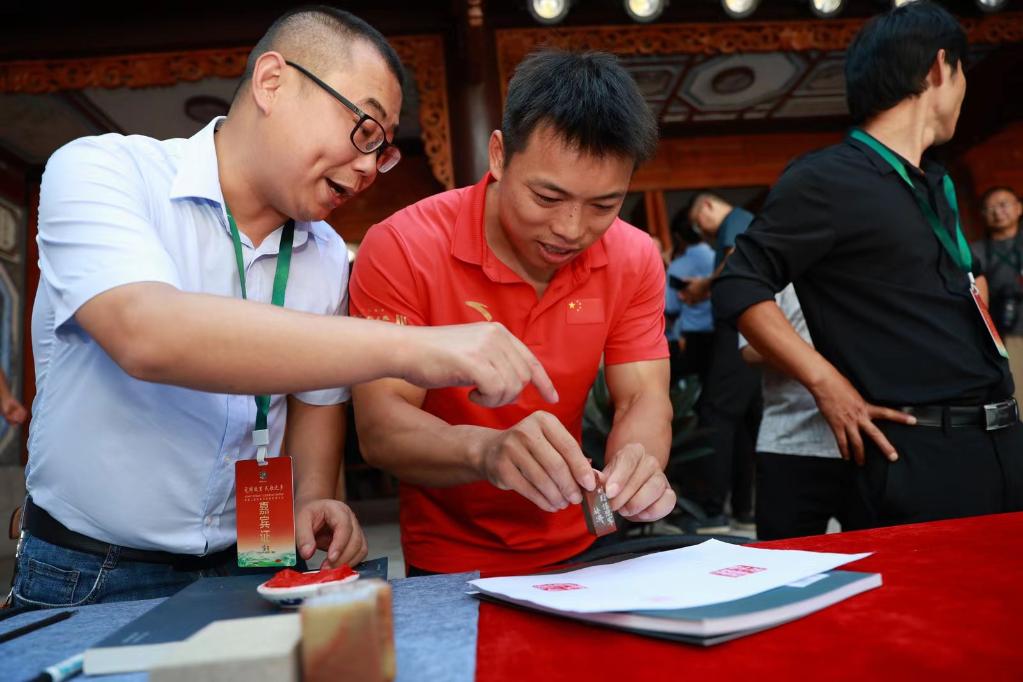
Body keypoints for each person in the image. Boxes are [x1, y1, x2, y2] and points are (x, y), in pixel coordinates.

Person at [12, 7, 554, 608]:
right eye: (364, 130)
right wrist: (414, 347)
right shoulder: (103, 171)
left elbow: (315, 406)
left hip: (253, 556)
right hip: (93, 568)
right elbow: (146, 333)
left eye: (382, 149)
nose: (370, 166)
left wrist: (315, 500)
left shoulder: (325, 253)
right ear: (272, 82)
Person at [349, 50, 675, 576]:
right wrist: (487, 451)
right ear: (499, 155)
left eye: (603, 206)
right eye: (547, 197)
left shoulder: (633, 256)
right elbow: (381, 426)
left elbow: (643, 396)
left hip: (583, 541)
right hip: (450, 557)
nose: (571, 229)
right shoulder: (404, 246)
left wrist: (639, 461)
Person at [714, 0, 1022, 529]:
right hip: (921, 453)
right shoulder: (826, 178)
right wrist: (826, 383)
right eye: (963, 72)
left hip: (1000, 435)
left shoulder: (936, 182)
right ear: (939, 68)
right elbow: (738, 283)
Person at [739, 285, 856, 540]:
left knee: (874, 556)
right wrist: (812, 359)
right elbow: (748, 349)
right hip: (789, 442)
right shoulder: (772, 275)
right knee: (782, 555)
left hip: (866, 441)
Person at [680, 192, 761, 533]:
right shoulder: (739, 223)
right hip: (749, 331)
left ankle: (712, 510)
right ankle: (743, 508)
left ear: (708, 206)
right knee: (740, 423)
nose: (703, 233)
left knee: (716, 415)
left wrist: (703, 286)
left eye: (699, 224)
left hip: (739, 329)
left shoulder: (735, 220)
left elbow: (733, 261)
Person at [972, 186, 1023, 405]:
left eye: (1003, 205)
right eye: (990, 208)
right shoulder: (975, 251)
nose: (997, 212)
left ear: (1019, 208)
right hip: (1004, 336)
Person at [665, 221, 714, 388]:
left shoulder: (678, 267)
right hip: (723, 331)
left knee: (697, 389)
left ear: (678, 237)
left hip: (694, 338)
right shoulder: (719, 259)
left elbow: (671, 307)